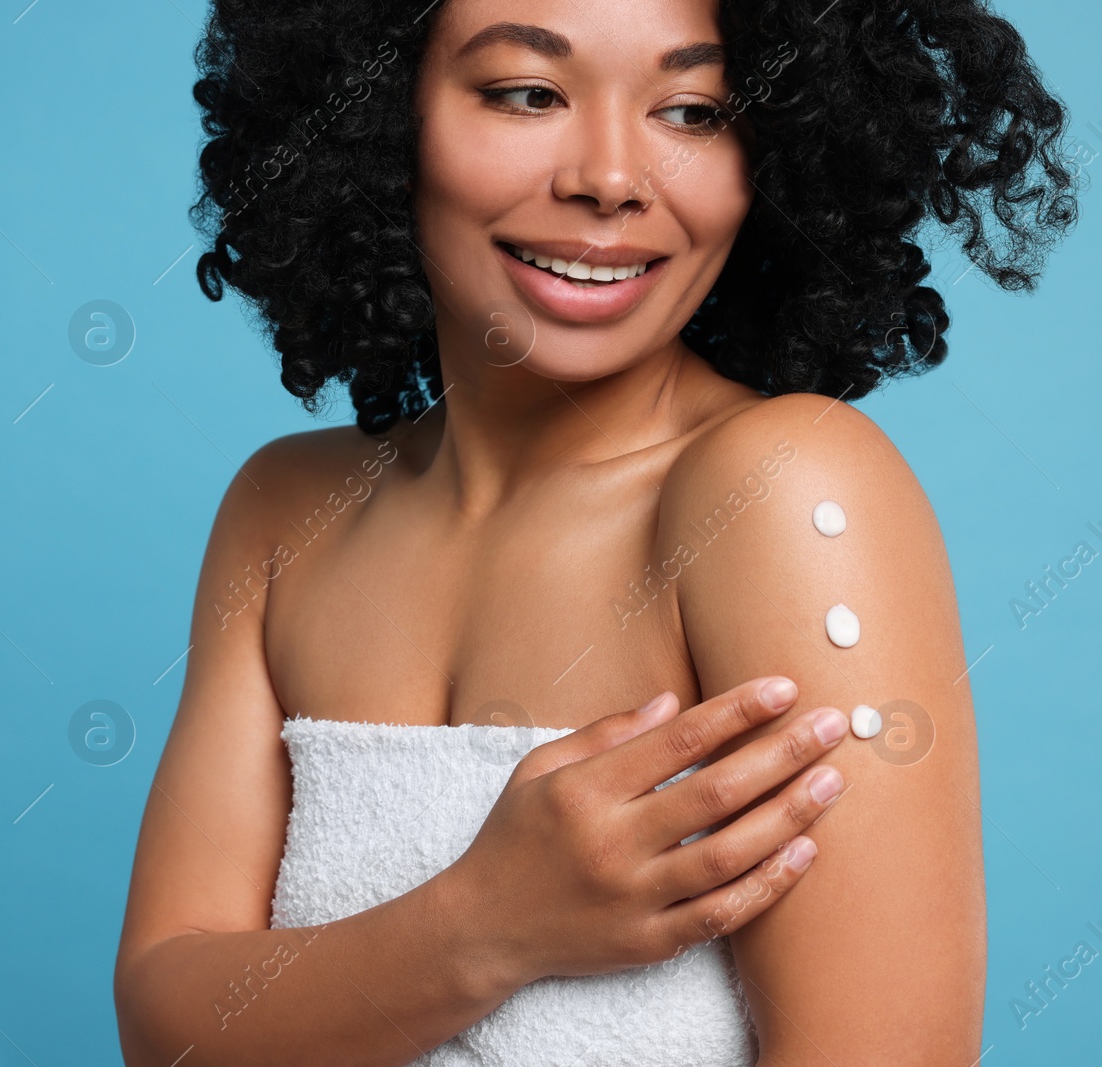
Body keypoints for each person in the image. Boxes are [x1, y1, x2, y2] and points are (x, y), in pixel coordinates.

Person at [115, 0, 1076, 1063]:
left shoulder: (780, 492)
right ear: (384, 115)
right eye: (526, 92)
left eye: (693, 111)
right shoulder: (286, 509)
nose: (612, 176)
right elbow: (168, 1027)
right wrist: (479, 927)